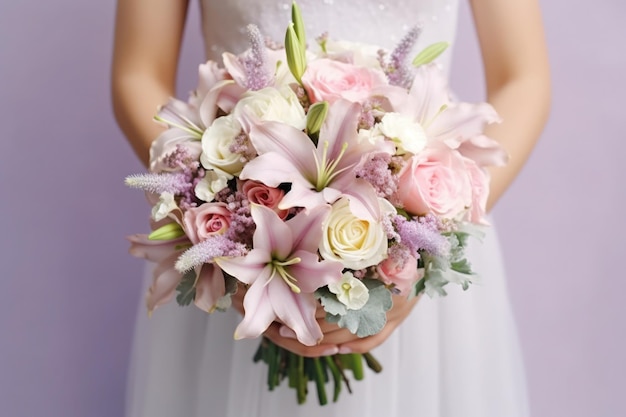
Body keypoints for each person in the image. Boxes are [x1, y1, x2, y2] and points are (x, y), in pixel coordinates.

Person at [112, 1, 550, 416]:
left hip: (420, 245)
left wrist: (426, 240)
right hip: (231, 259)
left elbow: (524, 77)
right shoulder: (233, 244)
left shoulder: (422, 240)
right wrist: (232, 240)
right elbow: (137, 72)